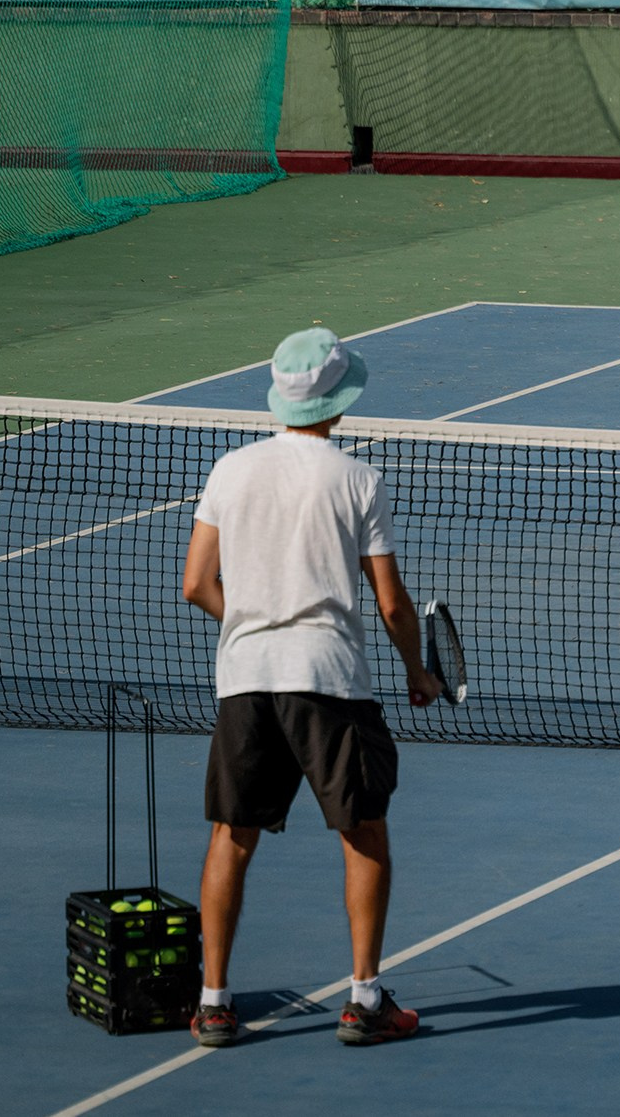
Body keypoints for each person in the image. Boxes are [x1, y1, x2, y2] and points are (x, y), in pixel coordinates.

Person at [181, 327, 444, 1050]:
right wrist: (417, 672)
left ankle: (212, 1002)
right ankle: (363, 999)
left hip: (246, 679)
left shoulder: (229, 470)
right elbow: (391, 604)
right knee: (364, 836)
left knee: (230, 838)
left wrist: (255, 619)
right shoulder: (358, 479)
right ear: (339, 399)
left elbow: (197, 583)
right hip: (328, 681)